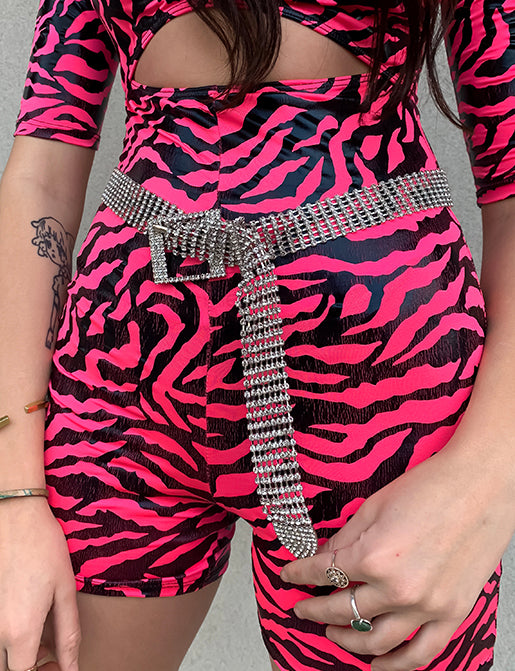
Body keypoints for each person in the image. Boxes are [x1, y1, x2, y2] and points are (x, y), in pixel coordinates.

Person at [0, 1, 514, 671]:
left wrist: (486, 484)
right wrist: (12, 492)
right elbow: (40, 177)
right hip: (118, 388)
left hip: (378, 397)